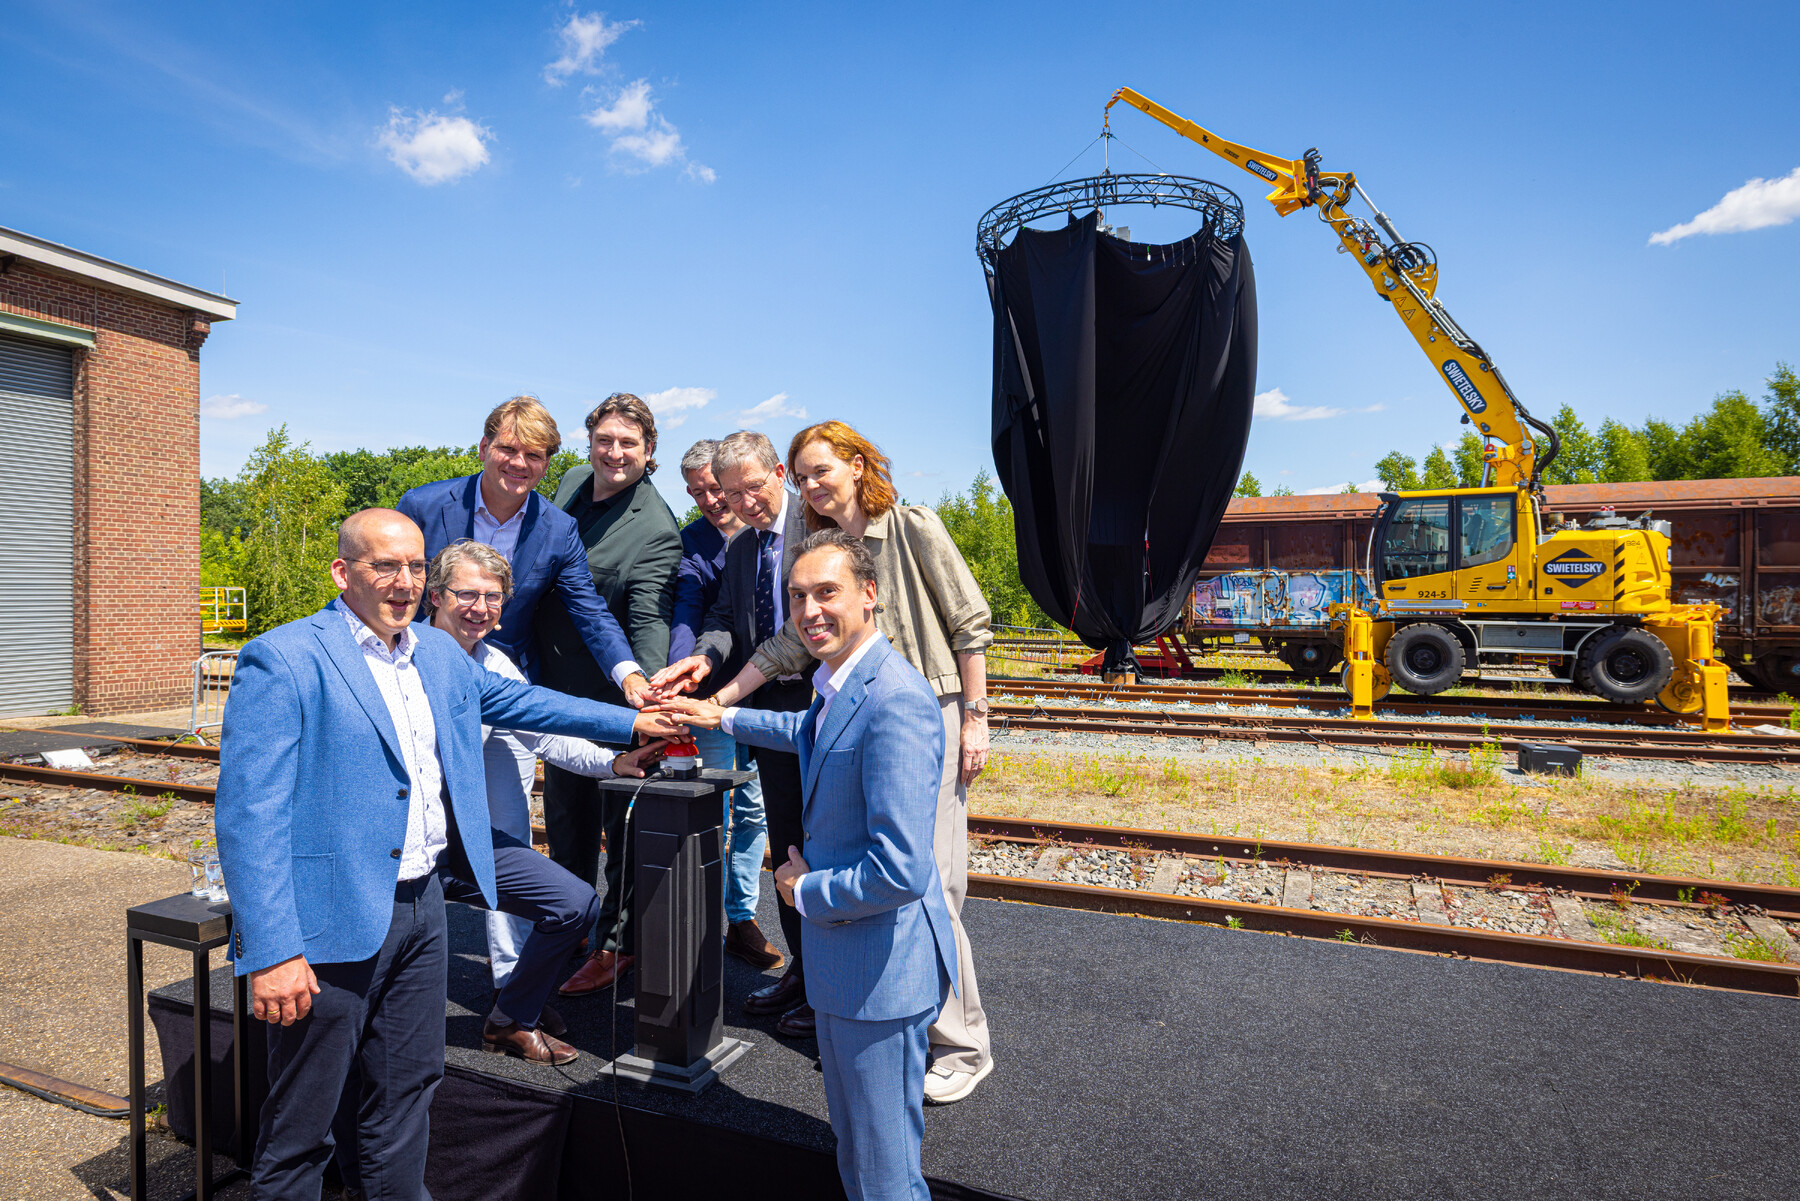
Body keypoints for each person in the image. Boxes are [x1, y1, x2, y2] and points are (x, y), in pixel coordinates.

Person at [215, 509, 684, 1199]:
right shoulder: (283, 658)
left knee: (407, 1097)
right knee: (301, 1129)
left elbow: (537, 706)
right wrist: (272, 950)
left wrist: (636, 718)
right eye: (385, 566)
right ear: (344, 572)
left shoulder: (435, 654)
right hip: (329, 925)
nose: (403, 582)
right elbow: (247, 817)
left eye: (413, 566)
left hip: (423, 910)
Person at [661, 420, 995, 1102]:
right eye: (805, 473)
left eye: (822, 470)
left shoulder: (911, 526)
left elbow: (969, 623)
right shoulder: (829, 552)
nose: (813, 483)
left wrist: (975, 717)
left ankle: (963, 1046)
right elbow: (786, 645)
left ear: (856, 464)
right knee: (887, 877)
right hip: (855, 712)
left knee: (931, 883)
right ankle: (909, 1030)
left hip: (927, 709)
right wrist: (716, 703)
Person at [655, 530, 957, 1201]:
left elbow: (901, 871)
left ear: (869, 594)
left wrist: (802, 889)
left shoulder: (896, 699)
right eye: (797, 596)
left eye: (827, 591)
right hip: (852, 969)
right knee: (859, 1156)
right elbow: (803, 732)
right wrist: (718, 714)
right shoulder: (840, 682)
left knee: (884, 1177)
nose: (809, 609)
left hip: (880, 978)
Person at [425, 539, 669, 1060]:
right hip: (408, 834)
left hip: (470, 839)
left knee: (572, 904)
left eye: (493, 598)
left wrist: (612, 762)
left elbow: (547, 731)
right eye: (466, 593)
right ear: (435, 596)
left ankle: (511, 1011)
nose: (480, 608)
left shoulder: (498, 664)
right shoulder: (406, 658)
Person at [650, 430, 815, 1036]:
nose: (744, 502)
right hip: (769, 712)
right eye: (730, 493)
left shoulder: (819, 526)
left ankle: (834, 988)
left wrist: (721, 698)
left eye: (753, 487)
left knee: (830, 842)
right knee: (790, 838)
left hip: (822, 708)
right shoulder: (745, 548)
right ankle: (802, 972)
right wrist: (701, 660)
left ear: (779, 471)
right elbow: (723, 621)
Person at [541, 393, 685, 997]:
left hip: (610, 696)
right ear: (590, 443)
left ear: (649, 452)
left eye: (629, 443)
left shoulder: (655, 529)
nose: (615, 452)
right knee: (565, 817)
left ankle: (616, 944)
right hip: (552, 686)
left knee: (620, 825)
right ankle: (566, 924)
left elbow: (648, 617)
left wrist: (647, 702)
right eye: (605, 440)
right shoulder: (572, 482)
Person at [394, 395, 652, 702]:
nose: (519, 463)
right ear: (483, 448)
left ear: (545, 465)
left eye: (533, 455)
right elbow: (384, 584)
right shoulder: (422, 508)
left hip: (508, 684)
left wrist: (630, 675)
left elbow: (590, 611)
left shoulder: (560, 530)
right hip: (417, 671)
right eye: (507, 449)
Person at [669, 439, 780, 971]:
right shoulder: (692, 542)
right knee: (711, 806)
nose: (713, 501)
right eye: (699, 494)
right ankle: (703, 921)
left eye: (720, 489)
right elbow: (694, 610)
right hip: (712, 693)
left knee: (757, 810)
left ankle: (741, 917)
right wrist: (685, 670)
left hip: (767, 696)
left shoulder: (782, 534)